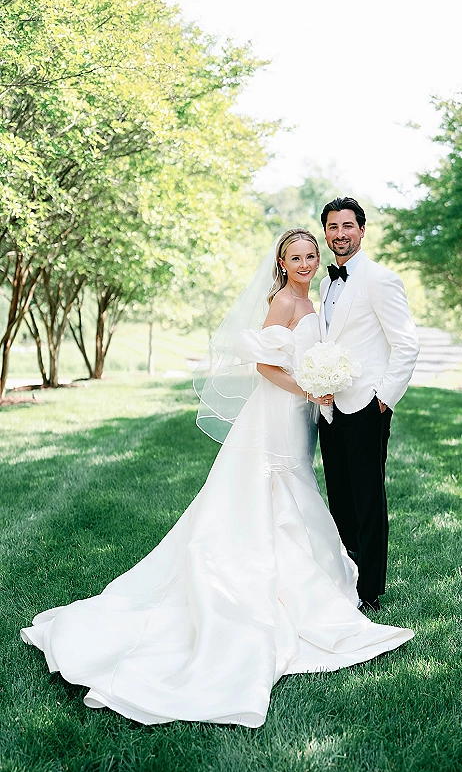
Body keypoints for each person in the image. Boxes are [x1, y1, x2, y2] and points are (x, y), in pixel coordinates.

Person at [20, 229, 413, 729]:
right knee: (275, 489)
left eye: (312, 255)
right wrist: (310, 387)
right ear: (281, 261)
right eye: (297, 256)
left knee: (297, 487)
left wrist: (318, 386)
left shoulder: (310, 296)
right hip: (281, 408)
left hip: (300, 414)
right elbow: (266, 365)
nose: (308, 261)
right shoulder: (283, 302)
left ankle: (320, 579)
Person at [318, 198, 419, 613]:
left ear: (362, 230)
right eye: (332, 227)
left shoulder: (381, 279)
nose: (339, 233)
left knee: (368, 499)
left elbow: (406, 344)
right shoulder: (325, 284)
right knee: (339, 496)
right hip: (329, 408)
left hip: (366, 406)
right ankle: (347, 576)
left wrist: (383, 400)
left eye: (347, 226)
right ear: (325, 232)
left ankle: (370, 591)